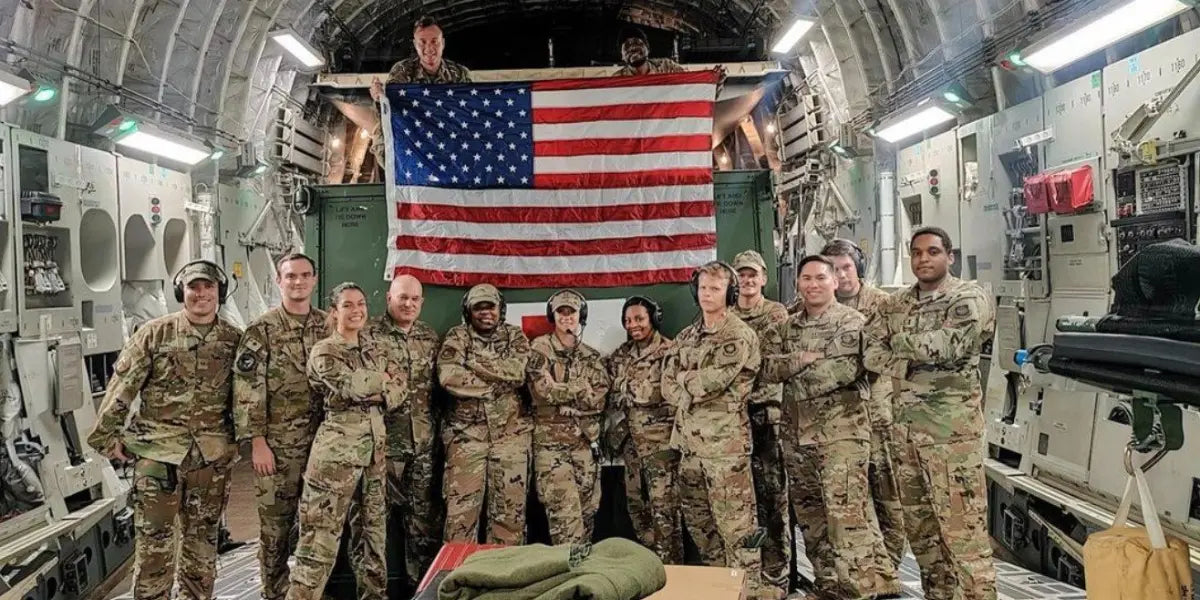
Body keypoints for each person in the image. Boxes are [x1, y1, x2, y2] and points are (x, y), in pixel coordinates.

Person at [87, 260, 241, 600]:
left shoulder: (234, 341)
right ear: (180, 292)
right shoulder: (154, 334)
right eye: (193, 287)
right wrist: (108, 437)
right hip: (158, 456)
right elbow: (123, 386)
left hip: (210, 461)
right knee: (154, 546)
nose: (200, 294)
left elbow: (247, 398)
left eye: (208, 287)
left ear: (220, 292)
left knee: (203, 545)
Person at [864, 227, 997, 600]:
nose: (924, 259)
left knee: (964, 538)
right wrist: (906, 363)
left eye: (933, 251)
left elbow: (950, 345)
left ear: (949, 257)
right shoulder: (896, 303)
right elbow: (869, 352)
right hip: (906, 438)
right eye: (917, 252)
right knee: (923, 540)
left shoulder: (968, 297)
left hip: (951, 439)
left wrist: (898, 342)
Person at [760, 255, 899, 599]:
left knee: (847, 516)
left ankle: (864, 589)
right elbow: (765, 369)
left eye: (821, 278)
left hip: (842, 436)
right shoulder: (785, 328)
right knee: (812, 518)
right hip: (796, 438)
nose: (813, 285)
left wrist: (798, 368)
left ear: (835, 281)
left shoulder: (854, 324)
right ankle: (828, 586)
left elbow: (844, 372)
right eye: (806, 279)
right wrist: (799, 361)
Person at [661, 261, 767, 598]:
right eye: (703, 288)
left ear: (730, 293)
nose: (707, 294)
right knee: (700, 524)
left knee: (737, 530)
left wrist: (686, 380)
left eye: (715, 288)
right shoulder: (688, 335)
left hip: (725, 450)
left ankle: (748, 592)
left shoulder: (737, 334)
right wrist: (688, 384)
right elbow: (666, 386)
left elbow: (713, 382)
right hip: (690, 448)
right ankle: (722, 589)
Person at [233, 253, 328, 600]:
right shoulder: (262, 330)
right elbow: (247, 390)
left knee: (317, 526)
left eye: (304, 275)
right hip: (277, 447)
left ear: (314, 280)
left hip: (323, 445)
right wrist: (257, 443)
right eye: (290, 276)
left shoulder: (328, 325)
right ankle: (273, 592)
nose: (298, 282)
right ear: (279, 281)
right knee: (275, 529)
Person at [287, 283, 391, 600]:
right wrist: (381, 383)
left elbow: (399, 391)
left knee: (372, 536)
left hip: (374, 452)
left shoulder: (375, 349)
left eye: (361, 303)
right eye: (348, 305)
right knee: (319, 539)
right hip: (337, 455)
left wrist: (382, 386)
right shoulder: (325, 351)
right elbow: (353, 387)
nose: (357, 310)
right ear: (334, 312)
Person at [821, 239, 906, 572]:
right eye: (833, 268)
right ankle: (862, 573)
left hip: (877, 416)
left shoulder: (883, 304)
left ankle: (890, 570)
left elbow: (895, 357)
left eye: (846, 266)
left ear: (858, 264)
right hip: (837, 422)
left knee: (889, 498)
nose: (841, 275)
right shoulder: (815, 308)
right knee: (849, 502)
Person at [436, 284, 532, 544]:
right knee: (460, 518)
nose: (485, 312)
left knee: (510, 518)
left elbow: (519, 372)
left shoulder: (515, 337)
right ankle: (456, 579)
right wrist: (495, 387)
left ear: (500, 309)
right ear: (468, 311)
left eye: (491, 306)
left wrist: (474, 365)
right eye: (478, 307)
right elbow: (449, 377)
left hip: (511, 438)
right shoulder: (457, 337)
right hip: (467, 438)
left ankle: (505, 580)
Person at [365, 274, 443, 586]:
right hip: (381, 447)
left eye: (414, 299)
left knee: (422, 526)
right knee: (373, 526)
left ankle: (420, 589)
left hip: (423, 446)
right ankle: (375, 592)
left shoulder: (429, 336)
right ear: (388, 298)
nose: (408, 304)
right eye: (402, 298)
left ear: (422, 302)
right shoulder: (368, 333)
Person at [526, 290, 610, 544]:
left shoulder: (591, 356)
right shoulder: (540, 348)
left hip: (585, 445)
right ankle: (569, 578)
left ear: (580, 316)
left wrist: (570, 403)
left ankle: (581, 577)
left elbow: (599, 398)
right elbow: (542, 391)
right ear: (552, 316)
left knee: (587, 515)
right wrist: (579, 388)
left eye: (571, 312)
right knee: (565, 521)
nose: (566, 318)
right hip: (552, 449)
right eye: (560, 312)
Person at [729, 250, 791, 594]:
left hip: (767, 419)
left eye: (753, 275)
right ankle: (748, 579)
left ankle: (776, 576)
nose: (747, 281)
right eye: (741, 275)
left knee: (772, 501)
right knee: (741, 504)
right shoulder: (726, 317)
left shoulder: (777, 315)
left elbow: (774, 364)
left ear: (764, 278)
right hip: (735, 422)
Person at [605, 295, 682, 563]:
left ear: (653, 318)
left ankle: (671, 566)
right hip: (630, 444)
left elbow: (664, 392)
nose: (633, 325)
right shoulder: (621, 355)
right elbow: (607, 389)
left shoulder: (670, 351)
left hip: (661, 445)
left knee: (664, 508)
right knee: (636, 505)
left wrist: (631, 392)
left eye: (639, 318)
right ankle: (651, 560)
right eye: (627, 320)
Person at [369, 15, 472, 169]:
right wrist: (379, 98)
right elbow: (388, 113)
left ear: (442, 43)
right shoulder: (402, 71)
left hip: (446, 141)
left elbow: (469, 113)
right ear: (415, 45)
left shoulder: (459, 73)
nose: (429, 49)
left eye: (434, 42)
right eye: (422, 43)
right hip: (413, 142)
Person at [612, 26, 685, 76]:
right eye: (627, 46)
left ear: (648, 49)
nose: (633, 48)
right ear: (622, 56)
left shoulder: (667, 67)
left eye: (637, 43)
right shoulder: (616, 80)